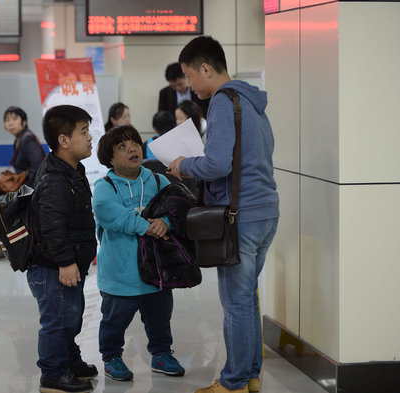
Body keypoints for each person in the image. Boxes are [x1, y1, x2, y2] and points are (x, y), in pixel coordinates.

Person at [167, 36, 279, 393]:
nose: (188, 86)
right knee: (249, 297)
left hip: (240, 217)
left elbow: (216, 163)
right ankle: (252, 375)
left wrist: (184, 164)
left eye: (189, 76)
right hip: (265, 212)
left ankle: (232, 383)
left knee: (236, 302)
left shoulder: (221, 102)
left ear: (205, 68)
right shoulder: (252, 101)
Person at [93, 125, 185, 382]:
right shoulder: (105, 186)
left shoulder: (158, 180)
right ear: (109, 159)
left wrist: (165, 221)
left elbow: (178, 204)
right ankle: (111, 357)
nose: (132, 148)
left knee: (160, 318)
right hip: (119, 276)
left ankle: (162, 354)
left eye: (133, 142)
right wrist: (147, 226)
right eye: (122, 147)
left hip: (156, 271)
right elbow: (107, 212)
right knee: (114, 321)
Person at [28, 105, 97, 393]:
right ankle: (53, 375)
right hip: (53, 266)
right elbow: (52, 226)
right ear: (63, 140)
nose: (90, 137)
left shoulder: (71, 169)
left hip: (66, 264)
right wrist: (67, 262)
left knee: (71, 318)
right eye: (83, 132)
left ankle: (69, 360)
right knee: (57, 322)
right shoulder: (56, 179)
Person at [0, 106, 46, 261]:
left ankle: (2, 247)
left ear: (24, 122)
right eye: (7, 120)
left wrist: (24, 191)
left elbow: (38, 165)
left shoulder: (28, 139)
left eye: (14, 119)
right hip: (22, 187)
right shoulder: (19, 140)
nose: (10, 123)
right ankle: (7, 235)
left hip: (31, 190)